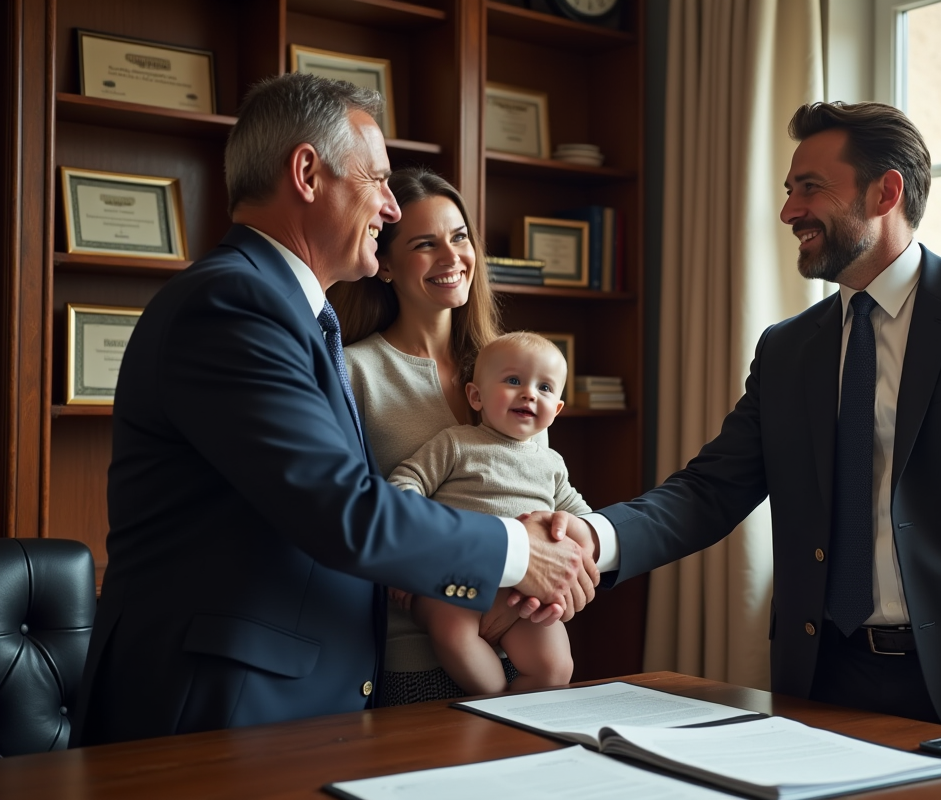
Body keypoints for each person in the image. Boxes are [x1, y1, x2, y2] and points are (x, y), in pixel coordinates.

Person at [531, 101, 941, 750]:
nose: (789, 212)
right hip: (822, 680)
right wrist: (593, 538)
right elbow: (709, 490)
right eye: (789, 191)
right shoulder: (787, 348)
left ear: (885, 192)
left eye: (810, 188)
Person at [72, 73, 595, 747]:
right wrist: (518, 551)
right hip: (220, 707)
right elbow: (343, 508)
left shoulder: (288, 312)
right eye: (377, 180)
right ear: (307, 174)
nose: (391, 206)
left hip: (305, 697)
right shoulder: (232, 305)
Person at [333, 167, 547, 704]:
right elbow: (347, 518)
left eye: (459, 237)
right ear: (385, 264)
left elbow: (541, 493)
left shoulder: (516, 371)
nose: (453, 258)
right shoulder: (354, 372)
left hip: (524, 643)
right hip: (414, 658)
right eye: (426, 244)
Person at [389, 332, 588, 695]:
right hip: (451, 580)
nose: (529, 394)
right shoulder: (456, 443)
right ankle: (493, 701)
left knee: (556, 666)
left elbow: (582, 518)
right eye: (513, 381)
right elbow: (405, 482)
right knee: (454, 634)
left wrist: (575, 531)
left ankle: (512, 714)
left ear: (557, 409)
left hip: (520, 594)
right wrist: (408, 555)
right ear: (476, 396)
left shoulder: (552, 464)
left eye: (544, 388)